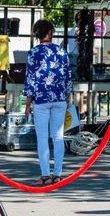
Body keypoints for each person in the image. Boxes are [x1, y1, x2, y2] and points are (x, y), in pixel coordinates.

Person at [24, 19, 73, 186]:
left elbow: (30, 79)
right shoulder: (61, 51)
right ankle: (57, 174)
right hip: (59, 98)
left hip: (41, 99)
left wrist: (28, 103)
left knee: (42, 138)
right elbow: (67, 76)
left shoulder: (33, 53)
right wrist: (68, 96)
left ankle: (45, 175)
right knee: (58, 137)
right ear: (50, 32)